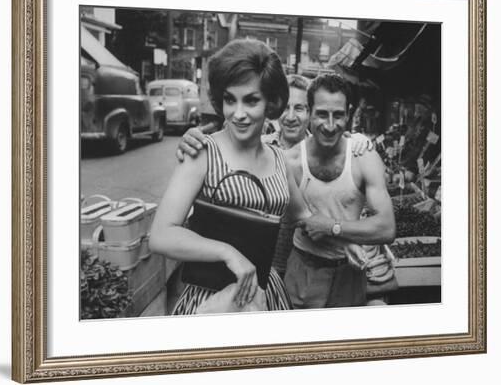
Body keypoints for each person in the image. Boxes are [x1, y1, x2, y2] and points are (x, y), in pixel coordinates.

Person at [149, 39, 309, 315]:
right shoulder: (202, 152)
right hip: (210, 300)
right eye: (229, 99)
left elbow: (303, 215)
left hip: (264, 294)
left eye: (251, 100)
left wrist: (347, 237)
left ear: (271, 102)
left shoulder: (280, 160)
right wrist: (228, 252)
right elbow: (160, 235)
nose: (239, 114)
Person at [176, 74, 373, 279]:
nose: (290, 117)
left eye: (299, 108)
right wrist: (193, 141)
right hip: (253, 265)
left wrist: (357, 140)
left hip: (303, 269)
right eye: (285, 107)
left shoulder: (333, 149)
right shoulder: (259, 148)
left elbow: (309, 219)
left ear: (312, 112)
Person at [284, 74, 395, 308]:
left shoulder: (364, 157)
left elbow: (386, 228)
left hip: (350, 272)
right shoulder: (291, 161)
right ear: (310, 112)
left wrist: (331, 226)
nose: (330, 125)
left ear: (349, 114)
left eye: (339, 115)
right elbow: (296, 217)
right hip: (304, 269)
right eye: (322, 114)